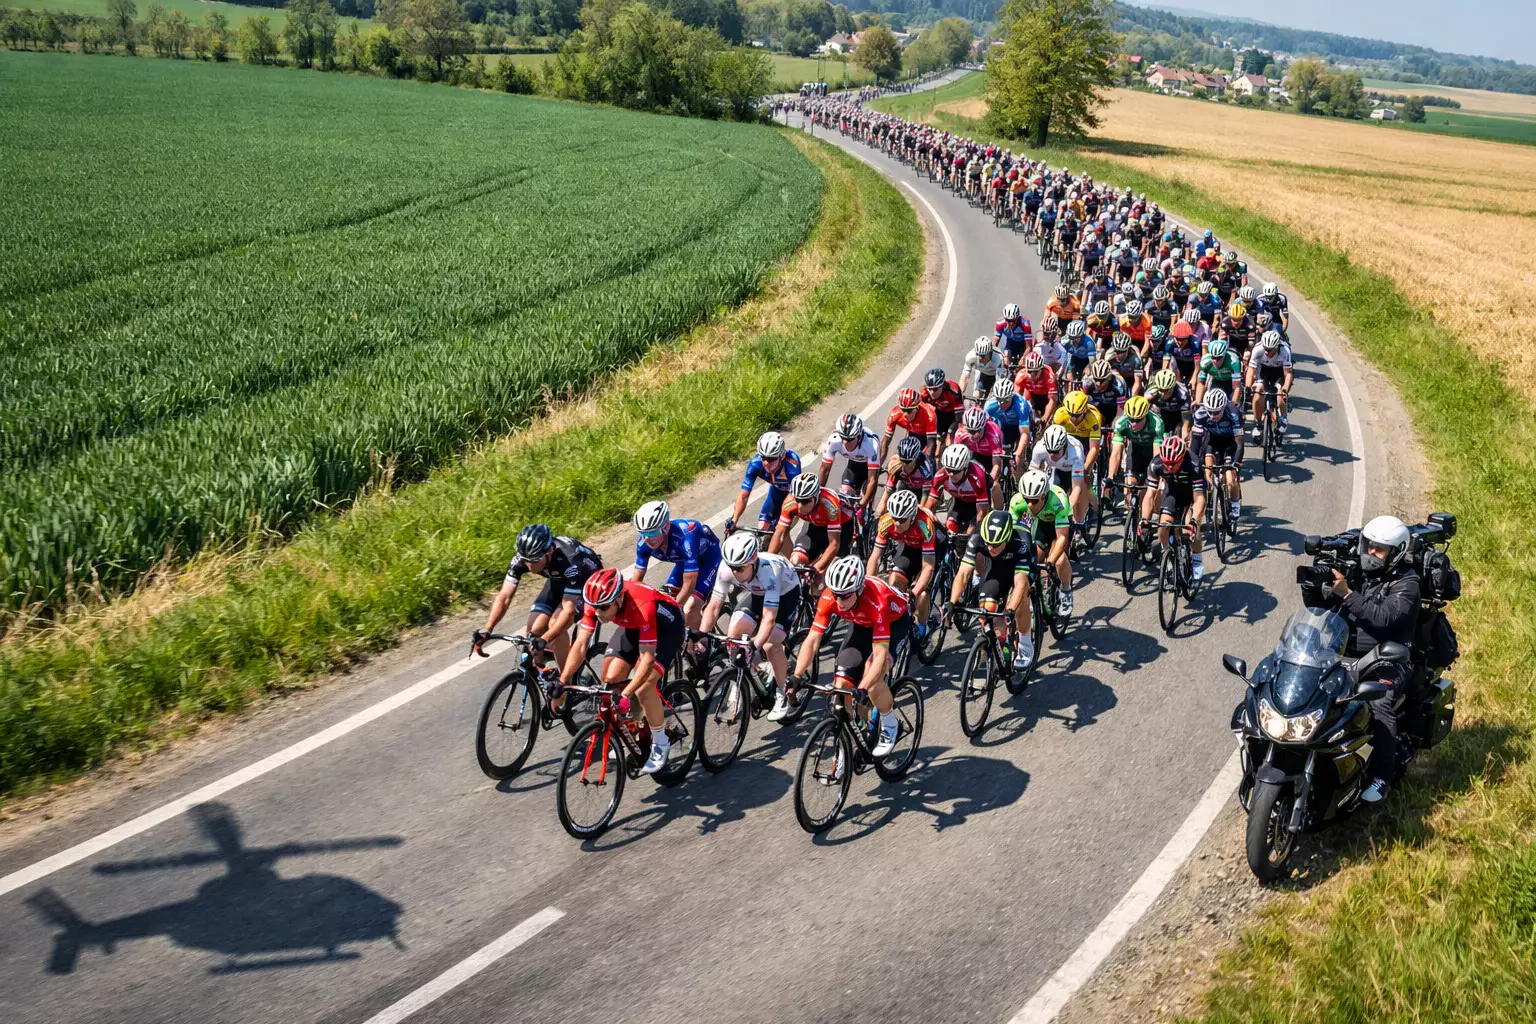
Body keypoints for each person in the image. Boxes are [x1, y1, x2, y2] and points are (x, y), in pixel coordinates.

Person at [1306, 516, 1420, 802]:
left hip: (1387, 658)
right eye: (1368, 546)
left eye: (1378, 550)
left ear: (1396, 551)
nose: (1370, 553)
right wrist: (1314, 588)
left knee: (1379, 703)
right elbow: (1324, 606)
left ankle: (1382, 777)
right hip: (1342, 650)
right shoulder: (1357, 572)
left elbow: (1382, 618)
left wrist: (1346, 593)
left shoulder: (1408, 585)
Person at [560, 568, 684, 774]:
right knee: (610, 678)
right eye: (595, 607)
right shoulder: (598, 602)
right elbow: (581, 645)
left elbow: (647, 659)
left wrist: (626, 694)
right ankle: (635, 723)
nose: (598, 612)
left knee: (644, 687)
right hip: (632, 625)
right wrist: (563, 681)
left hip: (667, 628)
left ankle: (661, 741)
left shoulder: (642, 606)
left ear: (619, 598)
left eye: (604, 607)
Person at [789, 555, 910, 758]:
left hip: (893, 622)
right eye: (836, 594)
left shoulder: (877, 600)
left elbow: (880, 655)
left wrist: (863, 687)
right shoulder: (830, 598)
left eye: (845, 595)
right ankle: (859, 734)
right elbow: (812, 640)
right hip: (861, 625)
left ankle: (890, 724)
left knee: (872, 676)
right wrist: (798, 675)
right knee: (842, 685)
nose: (839, 600)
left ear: (859, 589)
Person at [474, 525, 603, 686]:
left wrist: (546, 638)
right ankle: (541, 674)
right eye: (525, 560)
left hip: (587, 582)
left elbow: (568, 611)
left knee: (555, 625)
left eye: (534, 560)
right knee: (532, 628)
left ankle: (567, 684)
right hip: (558, 579)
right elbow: (504, 596)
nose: (529, 566)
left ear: (548, 551)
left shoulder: (570, 560)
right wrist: (488, 629)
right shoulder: (524, 557)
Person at [700, 531, 801, 721]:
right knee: (734, 635)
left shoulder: (769, 573)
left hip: (786, 594)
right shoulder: (726, 568)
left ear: (753, 561)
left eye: (740, 568)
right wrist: (701, 636)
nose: (735, 573)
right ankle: (738, 684)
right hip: (758, 592)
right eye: (732, 567)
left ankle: (782, 692)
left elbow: (769, 618)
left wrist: (754, 644)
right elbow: (713, 606)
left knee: (770, 644)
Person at [950, 508, 1036, 672]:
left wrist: (1010, 609)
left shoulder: (1020, 542)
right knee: (986, 611)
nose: (991, 548)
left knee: (1021, 602)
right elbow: (963, 574)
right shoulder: (977, 537)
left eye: (996, 544)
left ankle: (1025, 644)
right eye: (988, 544)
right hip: (997, 567)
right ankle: (996, 645)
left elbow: (1020, 582)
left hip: (1020, 567)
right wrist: (952, 603)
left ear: (1007, 538)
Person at [630, 500, 720, 630]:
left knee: (689, 608)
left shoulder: (685, 538)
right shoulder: (643, 544)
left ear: (666, 527)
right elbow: (636, 582)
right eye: (643, 534)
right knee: (662, 599)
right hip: (684, 562)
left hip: (709, 558)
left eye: (653, 533)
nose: (648, 539)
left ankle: (698, 643)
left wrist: (675, 608)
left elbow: (690, 582)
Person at [868, 488, 943, 639]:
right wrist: (867, 584)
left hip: (933, 545)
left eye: (902, 520)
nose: (896, 523)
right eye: (894, 517)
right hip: (909, 545)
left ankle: (923, 627)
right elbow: (875, 557)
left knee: (921, 592)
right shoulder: (886, 521)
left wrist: (913, 594)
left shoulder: (924, 524)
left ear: (912, 516)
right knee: (894, 581)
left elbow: (928, 567)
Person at [1010, 469, 1074, 617]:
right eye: (1027, 500)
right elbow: (1012, 534)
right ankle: (1036, 592)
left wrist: (1050, 561)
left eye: (1035, 500)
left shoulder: (1058, 501)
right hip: (1040, 524)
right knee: (1034, 558)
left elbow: (1062, 538)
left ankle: (1066, 589)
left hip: (1058, 524)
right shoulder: (1017, 501)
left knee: (1059, 560)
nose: (1030, 505)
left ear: (1044, 496)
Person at [769, 471, 853, 582]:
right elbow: (779, 534)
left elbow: (834, 544)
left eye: (805, 501)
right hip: (815, 525)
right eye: (798, 500)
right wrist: (767, 561)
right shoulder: (790, 503)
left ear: (816, 497)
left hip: (842, 526)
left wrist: (815, 569)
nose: (799, 506)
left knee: (823, 576)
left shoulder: (830, 505)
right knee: (796, 560)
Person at [1148, 434, 1207, 581]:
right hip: (1173, 493)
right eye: (1166, 463)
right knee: (1162, 527)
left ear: (1181, 458)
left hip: (1191, 494)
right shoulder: (1156, 463)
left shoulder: (1193, 463)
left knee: (1190, 528)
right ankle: (1168, 556)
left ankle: (1197, 559)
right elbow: (1150, 494)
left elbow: (1199, 498)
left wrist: (1195, 520)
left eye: (1174, 463)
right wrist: (1144, 519)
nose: (1169, 466)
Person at [727, 431, 802, 536]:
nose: (766, 463)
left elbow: (793, 497)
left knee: (780, 534)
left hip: (794, 498)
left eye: (771, 459)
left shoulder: (791, 465)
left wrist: (780, 523)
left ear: (782, 456)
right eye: (764, 458)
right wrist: (734, 519)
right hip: (776, 493)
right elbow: (744, 496)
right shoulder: (755, 464)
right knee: (761, 529)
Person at [1191, 385, 1244, 520]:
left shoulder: (1233, 413)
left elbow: (1239, 443)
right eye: (1210, 412)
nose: (1213, 415)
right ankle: (1210, 498)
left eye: (1216, 412)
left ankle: (1235, 503)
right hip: (1212, 443)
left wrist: (1236, 464)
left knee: (1231, 479)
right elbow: (1195, 444)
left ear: (1223, 408)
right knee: (1207, 472)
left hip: (1230, 444)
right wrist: (1193, 464)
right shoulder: (1200, 415)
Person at [818, 412, 881, 511]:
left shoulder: (871, 444)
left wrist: (863, 503)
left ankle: (868, 516)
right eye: (843, 438)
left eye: (850, 439)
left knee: (865, 502)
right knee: (845, 497)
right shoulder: (834, 440)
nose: (845, 442)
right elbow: (825, 469)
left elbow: (872, 480)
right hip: (853, 466)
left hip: (868, 467)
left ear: (858, 435)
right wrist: (817, 494)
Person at [1245, 330, 1293, 440]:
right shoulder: (1258, 349)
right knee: (1257, 396)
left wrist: (1285, 388)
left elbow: (1288, 373)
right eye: (1265, 348)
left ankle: (1283, 418)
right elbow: (1251, 370)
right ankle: (1258, 424)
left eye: (1270, 350)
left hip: (1280, 373)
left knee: (1281, 396)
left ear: (1276, 347)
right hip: (1264, 372)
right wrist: (1248, 386)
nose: (1267, 352)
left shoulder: (1284, 350)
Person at [881, 387, 937, 463]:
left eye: (909, 410)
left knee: (928, 459)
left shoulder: (929, 416)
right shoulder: (894, 414)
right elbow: (885, 442)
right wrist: (879, 465)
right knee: (897, 461)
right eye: (903, 409)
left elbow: (931, 447)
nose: (905, 414)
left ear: (917, 408)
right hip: (913, 435)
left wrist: (929, 464)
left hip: (928, 437)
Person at [923, 367, 966, 443]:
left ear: (942, 386)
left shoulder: (953, 391)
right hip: (939, 413)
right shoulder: (924, 393)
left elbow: (959, 419)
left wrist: (950, 434)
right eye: (929, 388)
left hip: (953, 415)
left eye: (935, 389)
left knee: (951, 439)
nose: (932, 392)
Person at [961, 336, 1006, 402]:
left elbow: (1000, 381)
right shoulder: (971, 356)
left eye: (982, 356)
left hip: (995, 374)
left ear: (990, 352)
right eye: (978, 354)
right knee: (976, 396)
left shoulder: (998, 359)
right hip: (982, 373)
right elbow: (965, 376)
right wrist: (959, 393)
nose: (979, 358)